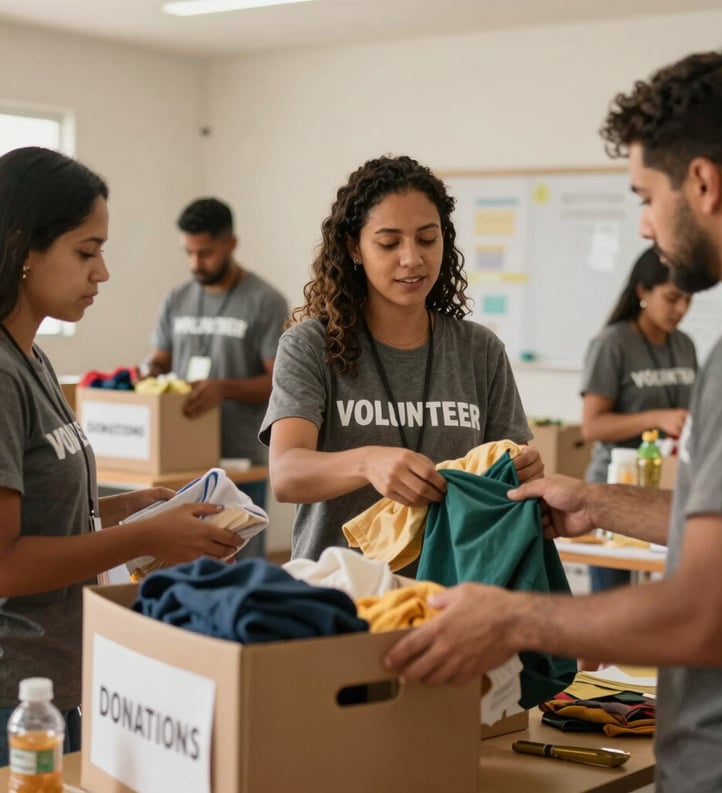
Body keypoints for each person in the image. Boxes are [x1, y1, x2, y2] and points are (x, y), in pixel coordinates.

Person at [386, 49, 722, 793]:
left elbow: (704, 616)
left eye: (645, 195)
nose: (647, 224)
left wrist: (511, 619)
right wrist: (602, 501)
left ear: (703, 183)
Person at [0, 147, 241, 766]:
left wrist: (124, 509)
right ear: (24, 248)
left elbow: (40, 511)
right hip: (12, 689)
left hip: (61, 670)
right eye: (86, 252)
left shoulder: (34, 358)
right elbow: (5, 564)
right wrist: (147, 536)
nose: (102, 272)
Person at [259, 155, 542, 562]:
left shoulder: (480, 350)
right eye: (389, 243)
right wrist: (367, 463)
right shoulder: (309, 346)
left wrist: (524, 472)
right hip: (338, 595)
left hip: (454, 590)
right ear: (354, 247)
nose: (412, 258)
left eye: (428, 239)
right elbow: (286, 474)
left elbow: (507, 475)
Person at [142, 198, 288, 559]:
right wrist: (148, 375)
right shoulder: (176, 298)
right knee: (186, 564)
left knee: (241, 561)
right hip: (183, 457)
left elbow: (278, 383)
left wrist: (223, 389)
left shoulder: (265, 301)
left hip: (241, 460)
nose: (196, 263)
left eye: (205, 253)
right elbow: (157, 360)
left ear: (231, 244)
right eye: (189, 253)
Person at [582, 246, 697, 590]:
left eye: (688, 301)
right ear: (643, 291)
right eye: (673, 298)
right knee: (611, 605)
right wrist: (658, 418)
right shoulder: (612, 343)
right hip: (615, 488)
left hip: (666, 490)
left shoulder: (685, 344)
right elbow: (592, 425)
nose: (681, 310)